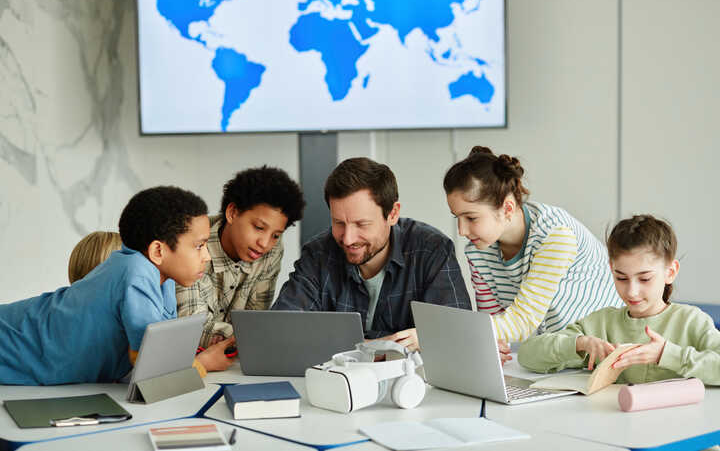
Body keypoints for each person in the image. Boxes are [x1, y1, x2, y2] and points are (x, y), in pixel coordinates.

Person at [0, 186, 235, 385]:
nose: (206, 256)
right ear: (157, 250)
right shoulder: (136, 272)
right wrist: (203, 364)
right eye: (199, 246)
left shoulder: (163, 282)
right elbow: (152, 381)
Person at [272, 157, 471, 351]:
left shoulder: (432, 249)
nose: (348, 239)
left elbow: (458, 334)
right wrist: (384, 345)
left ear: (392, 214)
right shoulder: (317, 254)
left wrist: (336, 343)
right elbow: (281, 330)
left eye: (362, 224)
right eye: (339, 223)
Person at [443, 146, 621, 361]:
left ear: (507, 209)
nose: (462, 231)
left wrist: (445, 336)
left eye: (471, 218)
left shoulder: (554, 234)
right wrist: (491, 347)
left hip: (609, 347)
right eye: (457, 218)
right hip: (563, 353)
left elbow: (522, 322)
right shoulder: (478, 251)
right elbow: (492, 323)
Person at [518, 215, 720, 385]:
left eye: (645, 278)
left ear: (670, 272)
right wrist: (578, 344)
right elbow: (527, 356)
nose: (631, 292)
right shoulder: (602, 323)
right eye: (621, 278)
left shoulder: (691, 321)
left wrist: (666, 355)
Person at [176, 166, 305, 348]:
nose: (265, 243)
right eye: (259, 228)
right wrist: (254, 336)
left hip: (233, 363)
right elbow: (192, 329)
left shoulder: (271, 251)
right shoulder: (192, 242)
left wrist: (255, 335)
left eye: (276, 235)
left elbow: (255, 320)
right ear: (232, 213)